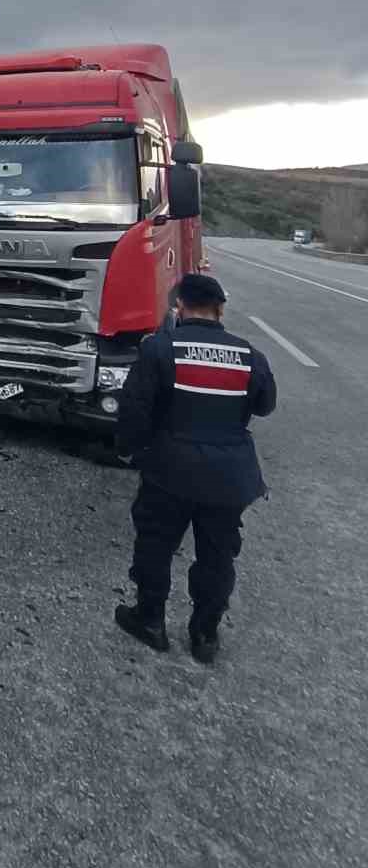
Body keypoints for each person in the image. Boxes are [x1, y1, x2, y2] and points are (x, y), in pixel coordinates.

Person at [113, 272, 276, 664]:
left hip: (170, 469)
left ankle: (150, 619)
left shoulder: (160, 348)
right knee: (218, 555)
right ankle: (205, 634)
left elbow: (135, 408)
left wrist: (129, 451)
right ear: (220, 309)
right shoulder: (250, 355)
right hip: (229, 478)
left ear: (179, 307)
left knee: (155, 543)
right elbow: (264, 405)